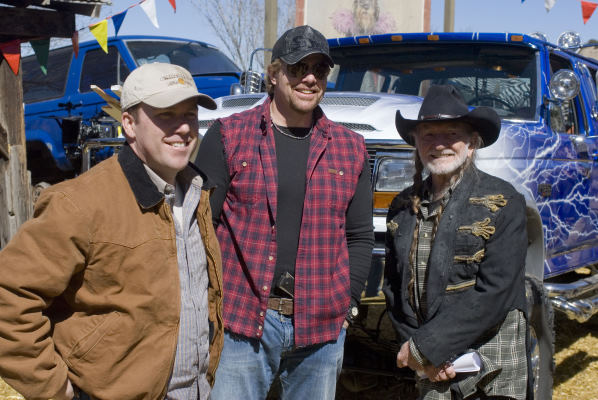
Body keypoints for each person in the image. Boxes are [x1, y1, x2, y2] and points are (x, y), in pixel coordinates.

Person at [0, 62, 223, 400]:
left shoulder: (198, 193)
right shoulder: (78, 204)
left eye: (190, 114)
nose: (183, 128)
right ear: (129, 124)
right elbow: (9, 299)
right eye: (166, 114)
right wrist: (56, 389)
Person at [195, 25, 374, 400]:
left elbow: (359, 236)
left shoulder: (351, 148)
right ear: (274, 73)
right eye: (297, 68)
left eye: (319, 70)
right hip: (241, 321)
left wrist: (347, 304)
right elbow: (203, 228)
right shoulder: (228, 136)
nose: (309, 78)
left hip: (322, 327)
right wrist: (209, 304)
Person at [384, 85, 530, 400]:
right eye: (428, 136)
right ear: (416, 144)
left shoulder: (504, 202)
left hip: (491, 362)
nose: (440, 145)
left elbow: (495, 291)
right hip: (432, 364)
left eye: (451, 134)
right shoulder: (401, 208)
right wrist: (417, 351)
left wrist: (425, 348)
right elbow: (394, 289)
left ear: (472, 143)